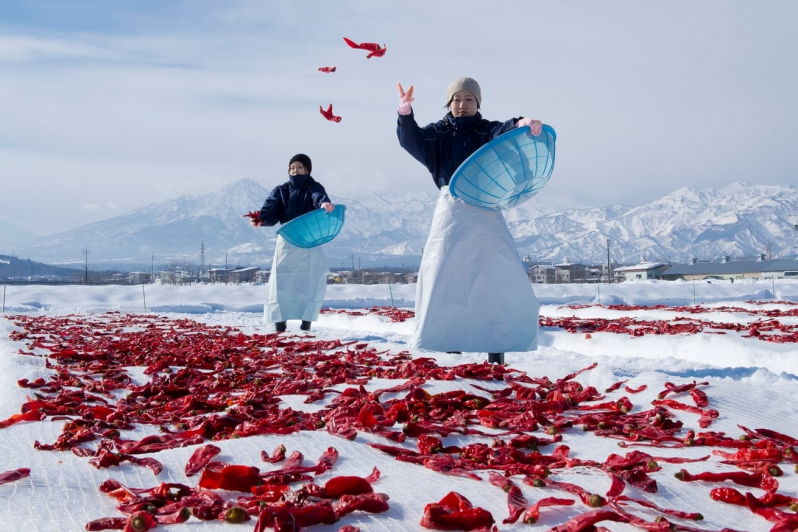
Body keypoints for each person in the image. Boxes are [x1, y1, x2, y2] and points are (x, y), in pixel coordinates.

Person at [396, 77, 542, 364]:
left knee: (494, 278)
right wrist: (405, 114)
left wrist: (522, 123)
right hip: (451, 213)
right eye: (457, 99)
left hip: (486, 210)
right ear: (449, 103)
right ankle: (452, 350)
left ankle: (496, 349)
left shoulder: (486, 131)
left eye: (469, 99)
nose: (462, 105)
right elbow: (411, 140)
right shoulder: (437, 134)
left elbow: (505, 130)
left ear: (478, 104)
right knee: (448, 279)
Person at [250, 153, 334, 333]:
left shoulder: (313, 187)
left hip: (309, 238)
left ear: (307, 170)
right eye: (292, 168)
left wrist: (324, 204)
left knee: (309, 279)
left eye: (300, 167)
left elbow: (319, 197)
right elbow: (270, 211)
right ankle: (280, 322)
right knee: (281, 279)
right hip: (287, 237)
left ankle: (306, 321)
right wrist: (260, 219)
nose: (295, 171)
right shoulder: (282, 190)